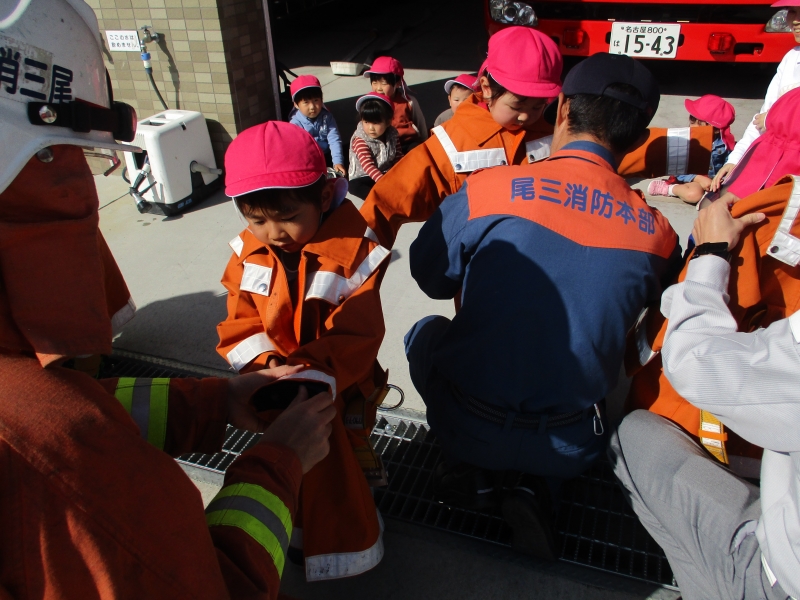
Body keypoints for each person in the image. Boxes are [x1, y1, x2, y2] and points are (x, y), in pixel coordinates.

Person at [0, 2, 336, 597]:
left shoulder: (32, 404)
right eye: (76, 162)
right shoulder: (50, 466)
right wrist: (278, 462)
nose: (91, 191)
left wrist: (214, 403)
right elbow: (214, 583)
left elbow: (83, 411)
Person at [404, 53, 680, 561]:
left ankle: (472, 471)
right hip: (574, 440)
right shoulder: (658, 235)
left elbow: (430, 278)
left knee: (424, 333)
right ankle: (538, 490)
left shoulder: (489, 190)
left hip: (468, 419)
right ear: (639, 137)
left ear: (563, 108)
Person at [216, 121, 391, 581]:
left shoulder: (355, 251)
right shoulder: (246, 253)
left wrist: (308, 374)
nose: (274, 232)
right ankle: (300, 525)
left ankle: (355, 521)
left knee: (346, 454)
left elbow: (358, 334)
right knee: (298, 461)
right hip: (279, 386)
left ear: (324, 195)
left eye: (288, 216)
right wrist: (266, 366)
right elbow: (240, 320)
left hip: (342, 386)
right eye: (257, 220)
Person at [359, 26, 718, 249]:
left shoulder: (553, 129)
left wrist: (702, 150)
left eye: (538, 104)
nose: (528, 115)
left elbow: (627, 145)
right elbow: (387, 203)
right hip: (485, 277)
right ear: (486, 88)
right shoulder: (450, 144)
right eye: (518, 104)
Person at [609, 195, 800, 600]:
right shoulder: (651, 225)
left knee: (630, 438)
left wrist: (711, 253)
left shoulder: (766, 212)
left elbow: (696, 365)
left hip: (780, 574)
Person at [626, 89, 800, 476]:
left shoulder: (750, 223)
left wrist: (710, 253)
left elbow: (694, 356)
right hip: (771, 442)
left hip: (702, 419)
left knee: (642, 446)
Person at [711, 1, 800, 191]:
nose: (796, 21)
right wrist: (736, 160)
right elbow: (760, 120)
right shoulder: (791, 58)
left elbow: (769, 119)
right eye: (793, 11)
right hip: (774, 171)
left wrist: (773, 119)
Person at [648, 95, 735, 205]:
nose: (692, 126)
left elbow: (731, 165)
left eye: (699, 123)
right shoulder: (686, 141)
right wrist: (698, 179)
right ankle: (669, 188)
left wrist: (722, 178)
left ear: (716, 129)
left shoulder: (725, 144)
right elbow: (676, 170)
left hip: (715, 180)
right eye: (692, 120)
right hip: (692, 177)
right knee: (693, 194)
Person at [348, 92, 404, 200]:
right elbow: (368, 166)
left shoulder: (392, 134)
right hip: (365, 175)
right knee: (354, 186)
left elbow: (398, 155)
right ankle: (376, 198)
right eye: (366, 122)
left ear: (388, 122)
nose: (371, 128)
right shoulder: (360, 140)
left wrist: (402, 170)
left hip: (385, 171)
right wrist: (384, 182)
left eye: (376, 123)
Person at [365, 56, 428, 152]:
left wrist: (425, 142)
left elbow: (421, 124)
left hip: (407, 144)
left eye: (384, 83)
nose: (378, 88)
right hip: (382, 148)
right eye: (374, 83)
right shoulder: (369, 103)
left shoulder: (409, 102)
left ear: (398, 83)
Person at [288, 74, 346, 176]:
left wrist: (338, 162)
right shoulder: (295, 124)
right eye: (306, 102)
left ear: (321, 99)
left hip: (326, 155)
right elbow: (298, 151)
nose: (312, 107)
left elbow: (334, 140)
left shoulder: (327, 117)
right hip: (308, 161)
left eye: (316, 100)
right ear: (296, 104)